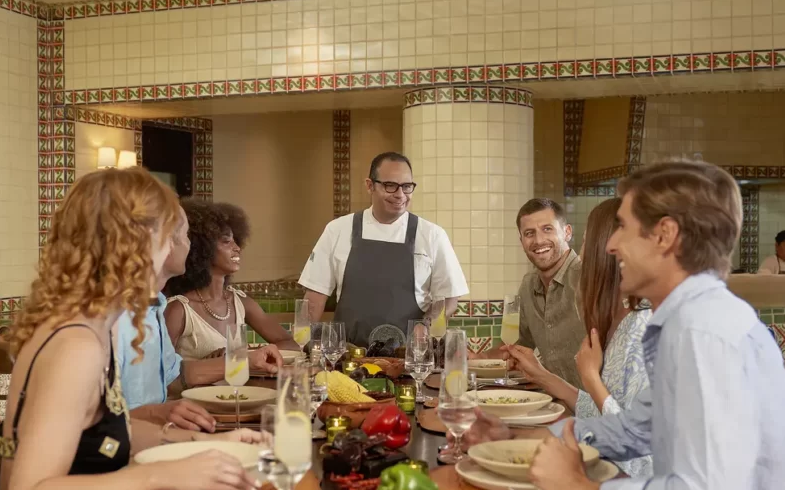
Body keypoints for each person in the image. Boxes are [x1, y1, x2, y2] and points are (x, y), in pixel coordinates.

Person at [458, 160, 785, 490]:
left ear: (665, 235)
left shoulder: (703, 335)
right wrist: (522, 436)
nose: (611, 245)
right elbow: (635, 428)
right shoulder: (687, 323)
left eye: (625, 228)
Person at [0, 168, 264, 490]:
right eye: (171, 236)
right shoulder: (76, 344)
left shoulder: (91, 324)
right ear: (135, 244)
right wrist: (161, 474)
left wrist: (205, 443)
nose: (178, 249)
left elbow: (105, 433)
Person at [508, 198, 653, 478]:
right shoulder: (623, 320)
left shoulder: (642, 328)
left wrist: (591, 378)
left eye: (587, 243)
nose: (581, 256)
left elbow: (636, 452)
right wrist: (512, 436)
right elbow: (597, 415)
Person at [120, 206, 282, 433]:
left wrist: (245, 360)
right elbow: (96, 427)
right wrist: (158, 413)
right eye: (185, 235)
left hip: (159, 434)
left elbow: (176, 374)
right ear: (164, 244)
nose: (189, 244)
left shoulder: (156, 305)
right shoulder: (116, 317)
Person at [300, 151, 468, 347]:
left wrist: (426, 326)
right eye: (390, 186)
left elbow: (448, 298)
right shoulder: (337, 230)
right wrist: (303, 347)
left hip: (410, 358)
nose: (400, 195)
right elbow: (313, 299)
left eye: (407, 187)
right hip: (347, 358)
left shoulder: (432, 235)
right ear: (370, 185)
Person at [165, 199, 300, 359]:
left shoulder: (240, 302)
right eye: (227, 241)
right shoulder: (178, 310)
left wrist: (244, 354)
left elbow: (290, 344)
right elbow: (163, 374)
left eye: (236, 241)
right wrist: (207, 365)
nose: (237, 248)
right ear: (202, 249)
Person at [489, 198, 586, 391]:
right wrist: (476, 358)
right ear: (521, 241)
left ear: (567, 232)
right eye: (529, 233)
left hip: (598, 410)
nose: (539, 240)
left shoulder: (588, 276)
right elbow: (514, 346)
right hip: (554, 403)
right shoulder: (528, 284)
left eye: (547, 229)